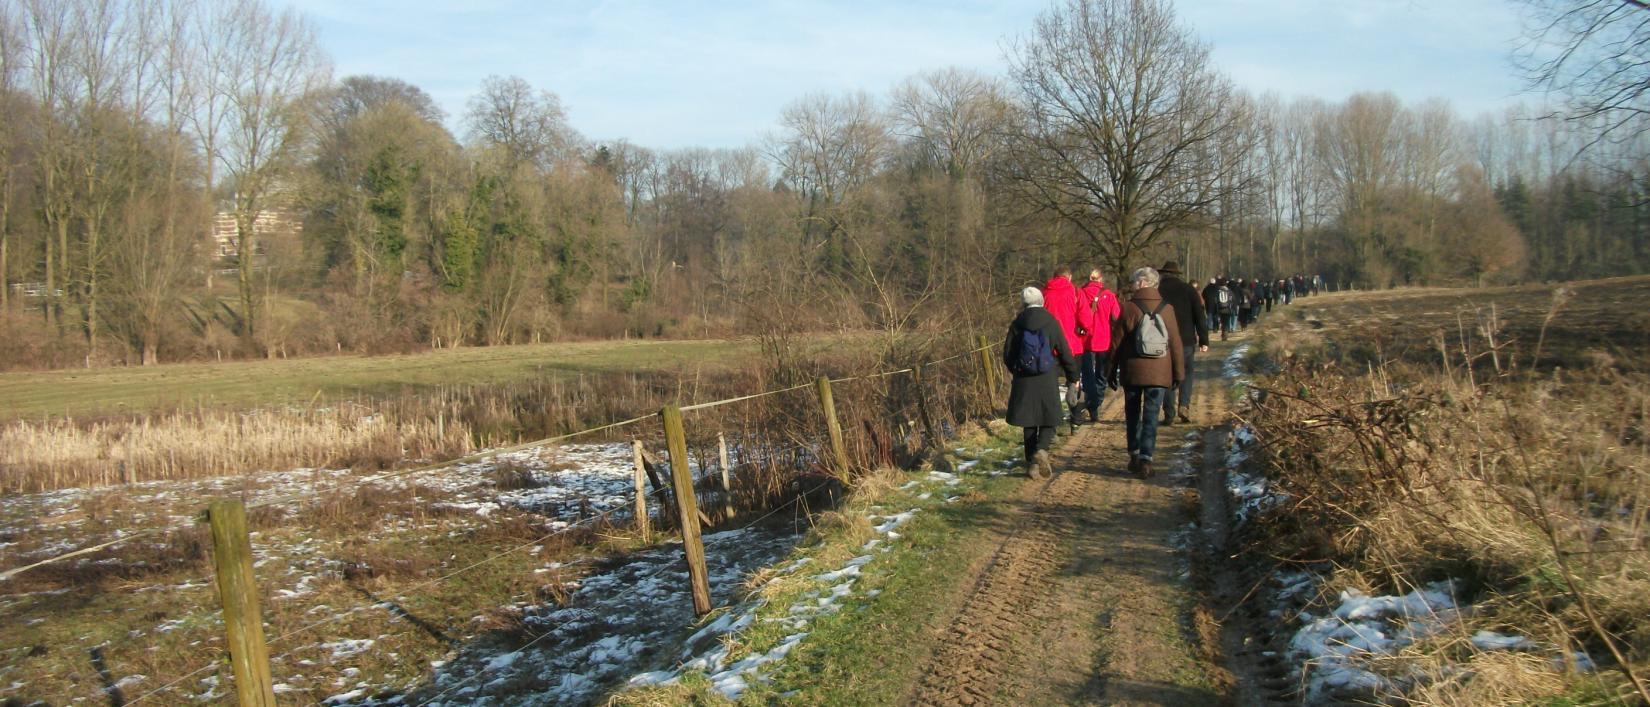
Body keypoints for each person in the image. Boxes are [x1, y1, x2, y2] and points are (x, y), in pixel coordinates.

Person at [1109, 267, 1185, 479]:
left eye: (1134, 282)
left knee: (1132, 413)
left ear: (1142, 283)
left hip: (1133, 370)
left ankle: (1133, 455)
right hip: (1160, 371)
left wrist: (1109, 371)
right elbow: (1176, 343)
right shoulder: (1167, 309)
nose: (1132, 285)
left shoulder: (1129, 308)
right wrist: (1178, 373)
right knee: (1152, 414)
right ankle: (1146, 459)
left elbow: (1116, 344)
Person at [1004, 286, 1080, 480]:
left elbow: (1007, 354)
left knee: (1029, 421)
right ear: (1042, 301)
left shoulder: (1017, 324)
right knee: (1050, 416)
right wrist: (1073, 375)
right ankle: (1042, 450)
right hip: (1046, 376)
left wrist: (1018, 370)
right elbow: (1064, 350)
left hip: (1024, 378)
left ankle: (1031, 463)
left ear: (1024, 303)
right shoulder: (1051, 322)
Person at [1155, 261, 1209, 426]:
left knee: (1168, 376)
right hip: (1186, 339)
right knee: (1187, 373)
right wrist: (1203, 339)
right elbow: (1200, 315)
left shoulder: (1157, 291)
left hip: (1163, 339)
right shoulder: (1189, 290)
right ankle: (1184, 405)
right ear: (1177, 274)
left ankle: (1169, 413)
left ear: (1163, 274)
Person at [1042, 265, 1090, 422]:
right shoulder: (1076, 292)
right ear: (1069, 277)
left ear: (1054, 277)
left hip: (1048, 346)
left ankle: (1051, 422)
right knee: (1074, 379)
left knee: (1050, 384)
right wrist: (1083, 330)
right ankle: (1076, 418)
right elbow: (1086, 320)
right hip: (1072, 345)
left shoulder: (1044, 293)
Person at [1076, 267, 1121, 424]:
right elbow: (1116, 316)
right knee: (1101, 374)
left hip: (1084, 341)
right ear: (1101, 280)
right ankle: (1097, 402)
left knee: (1087, 374)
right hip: (1104, 339)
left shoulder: (1079, 293)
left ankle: (1092, 403)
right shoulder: (1109, 295)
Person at [1203, 277, 1232, 341]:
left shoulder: (1216, 290)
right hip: (1227, 308)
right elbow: (1231, 300)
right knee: (1225, 322)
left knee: (1219, 320)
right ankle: (1224, 333)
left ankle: (1218, 330)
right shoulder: (1228, 291)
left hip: (1218, 308)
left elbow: (1214, 299)